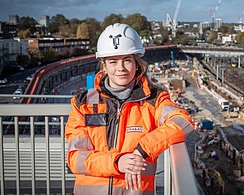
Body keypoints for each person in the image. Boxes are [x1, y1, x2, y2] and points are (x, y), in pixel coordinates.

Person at [65, 23, 195, 194]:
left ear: (137, 63)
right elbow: (75, 159)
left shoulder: (153, 100)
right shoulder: (84, 104)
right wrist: (117, 162)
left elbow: (183, 122)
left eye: (127, 60)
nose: (121, 68)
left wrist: (143, 149)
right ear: (104, 65)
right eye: (113, 61)